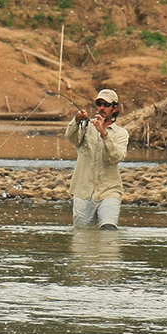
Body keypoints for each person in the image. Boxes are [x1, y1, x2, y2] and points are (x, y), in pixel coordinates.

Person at [65, 88, 129, 230]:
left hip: (109, 190)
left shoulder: (121, 134)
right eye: (99, 104)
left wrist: (104, 134)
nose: (101, 108)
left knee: (109, 229)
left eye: (106, 105)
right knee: (82, 233)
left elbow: (117, 157)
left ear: (114, 108)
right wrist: (76, 120)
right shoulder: (85, 126)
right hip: (83, 190)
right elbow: (70, 137)